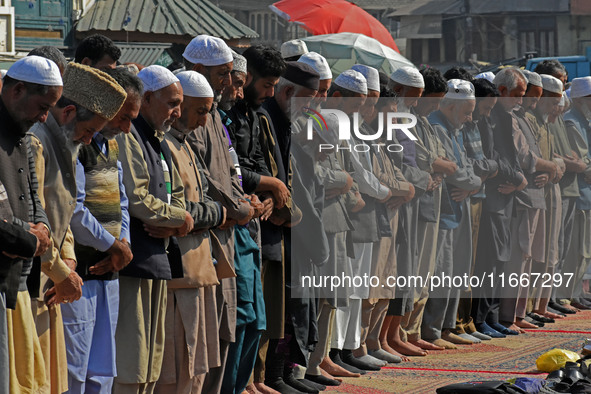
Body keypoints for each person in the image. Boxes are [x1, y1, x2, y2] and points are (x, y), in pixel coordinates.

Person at [29, 60, 126, 394]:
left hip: (57, 276)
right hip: (37, 277)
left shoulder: (68, 144)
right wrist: (60, 269)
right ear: (68, 112)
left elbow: (64, 212)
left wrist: (67, 257)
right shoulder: (37, 142)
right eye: (89, 131)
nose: (90, 140)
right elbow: (35, 214)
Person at [113, 65, 194, 394]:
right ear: (146, 99)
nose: (178, 112)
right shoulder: (128, 134)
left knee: (151, 360)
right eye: (172, 103)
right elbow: (138, 200)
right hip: (134, 263)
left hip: (157, 259)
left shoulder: (158, 139)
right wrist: (180, 219)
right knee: (132, 360)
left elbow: (178, 195)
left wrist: (176, 221)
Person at [182, 34, 254, 393]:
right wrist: (237, 207)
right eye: (222, 74)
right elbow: (202, 176)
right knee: (204, 338)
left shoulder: (213, 113)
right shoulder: (187, 109)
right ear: (198, 69)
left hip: (226, 228)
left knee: (227, 327)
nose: (228, 81)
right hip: (208, 231)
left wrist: (245, 202)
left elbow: (230, 169)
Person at [64, 67, 140, 393]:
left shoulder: (110, 145)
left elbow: (121, 200)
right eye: (122, 118)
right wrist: (113, 246)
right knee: (75, 369)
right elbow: (75, 211)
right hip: (82, 270)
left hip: (110, 271)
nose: (126, 127)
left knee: (103, 368)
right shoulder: (77, 143)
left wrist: (122, 245)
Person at [156, 70, 226, 393]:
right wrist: (214, 213)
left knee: (196, 368)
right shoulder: (165, 147)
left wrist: (212, 212)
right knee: (176, 368)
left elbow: (207, 204)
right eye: (200, 111)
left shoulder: (184, 146)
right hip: (179, 275)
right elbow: (181, 211)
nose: (203, 121)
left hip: (200, 270)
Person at [0, 55, 55, 394]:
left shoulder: (23, 135)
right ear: (17, 90)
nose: (44, 117)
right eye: (42, 106)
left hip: (16, 280)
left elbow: (35, 197)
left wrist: (42, 230)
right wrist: (30, 239)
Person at [422, 79, 481, 348]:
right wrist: (469, 182)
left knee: (457, 268)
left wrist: (470, 186)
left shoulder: (456, 128)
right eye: (466, 112)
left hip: (460, 205)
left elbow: (469, 171)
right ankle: (433, 330)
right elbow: (455, 172)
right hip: (444, 209)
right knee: (442, 271)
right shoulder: (436, 127)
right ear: (449, 106)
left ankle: (447, 326)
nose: (470, 118)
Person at [473, 68, 529, 337]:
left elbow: (512, 158)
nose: (520, 101)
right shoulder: (489, 115)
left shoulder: (505, 117)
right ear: (503, 91)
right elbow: (492, 156)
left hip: (507, 196)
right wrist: (516, 176)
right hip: (494, 195)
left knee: (500, 261)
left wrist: (518, 178)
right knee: (489, 260)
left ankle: (492, 315)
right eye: (517, 95)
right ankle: (481, 316)